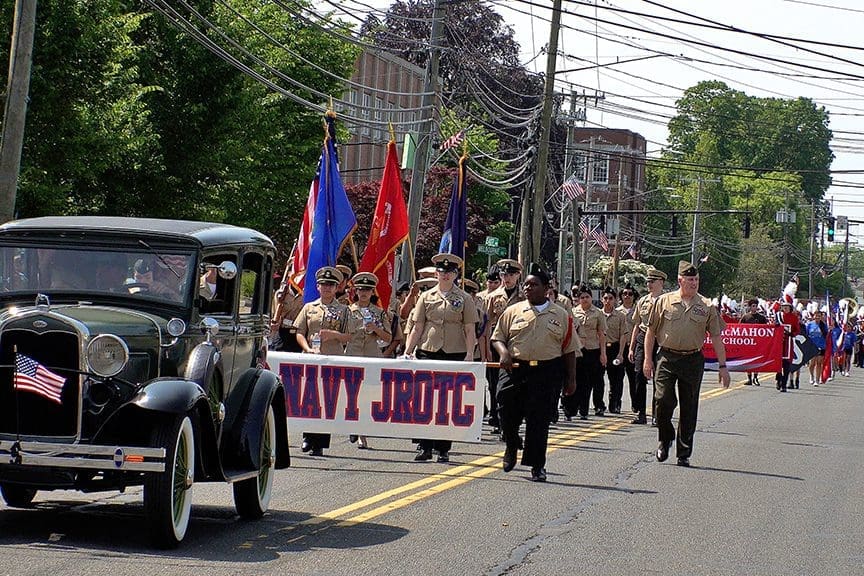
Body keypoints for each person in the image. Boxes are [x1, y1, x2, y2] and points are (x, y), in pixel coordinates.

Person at [492, 265, 577, 482]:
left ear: (547, 288)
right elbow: (497, 337)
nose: (528, 288)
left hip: (546, 371)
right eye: (526, 284)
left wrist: (571, 380)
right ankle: (511, 444)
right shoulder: (513, 311)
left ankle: (537, 465)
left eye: (534, 284)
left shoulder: (561, 315)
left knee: (538, 420)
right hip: (515, 368)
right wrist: (503, 353)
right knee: (505, 406)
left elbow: (569, 350)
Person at [643, 261, 730, 467]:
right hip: (666, 357)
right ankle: (665, 438)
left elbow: (716, 337)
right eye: (690, 279)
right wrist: (648, 359)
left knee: (689, 406)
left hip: (692, 359)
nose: (694, 283)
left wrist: (723, 366)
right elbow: (651, 332)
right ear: (680, 280)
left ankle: (684, 452)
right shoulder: (663, 301)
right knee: (662, 400)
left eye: (696, 279)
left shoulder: (706, 306)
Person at [403, 253, 479, 463]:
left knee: (448, 402)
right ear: (436, 274)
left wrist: (470, 354)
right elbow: (417, 327)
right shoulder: (426, 297)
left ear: (456, 275)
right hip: (428, 350)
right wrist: (408, 351)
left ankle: (444, 447)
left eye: (450, 272)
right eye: (442, 272)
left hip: (454, 352)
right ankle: (425, 446)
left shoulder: (464, 298)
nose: (445, 275)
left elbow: (470, 328)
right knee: (425, 401)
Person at [294, 266, 351, 457]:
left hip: (331, 359)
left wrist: (333, 335)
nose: (327, 288)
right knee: (309, 398)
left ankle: (320, 443)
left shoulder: (344, 310)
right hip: (311, 357)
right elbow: (300, 332)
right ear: (318, 287)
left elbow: (349, 336)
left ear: (337, 288)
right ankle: (307, 438)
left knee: (326, 401)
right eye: (323, 285)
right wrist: (308, 348)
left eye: (331, 285)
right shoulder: (309, 308)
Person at [345, 272, 392, 450]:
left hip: (371, 357)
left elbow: (388, 337)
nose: (363, 292)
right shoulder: (347, 311)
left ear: (373, 292)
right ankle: (353, 425)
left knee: (367, 397)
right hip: (352, 356)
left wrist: (375, 329)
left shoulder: (379, 313)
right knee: (351, 394)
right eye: (360, 289)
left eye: (367, 290)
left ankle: (362, 433)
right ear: (355, 291)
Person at [482, 259, 525, 433]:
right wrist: (486, 350)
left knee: (517, 385)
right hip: (496, 344)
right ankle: (497, 417)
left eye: (510, 274)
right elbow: (485, 326)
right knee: (495, 386)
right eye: (503, 274)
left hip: (518, 343)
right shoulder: (492, 297)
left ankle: (513, 419)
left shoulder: (524, 296)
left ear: (518, 275)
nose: (506, 278)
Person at [628, 268, 666, 425]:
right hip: (643, 338)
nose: (649, 284)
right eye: (648, 282)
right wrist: (631, 347)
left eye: (652, 281)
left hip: (661, 338)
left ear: (661, 283)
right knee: (639, 376)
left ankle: (657, 414)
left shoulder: (668, 301)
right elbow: (637, 325)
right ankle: (641, 413)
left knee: (659, 379)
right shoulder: (642, 301)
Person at [567, 284, 607, 419]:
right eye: (582, 297)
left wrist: (603, 353)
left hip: (593, 350)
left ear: (591, 298)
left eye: (587, 297)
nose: (585, 299)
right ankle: (572, 407)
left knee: (590, 382)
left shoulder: (598, 313)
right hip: (577, 351)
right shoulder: (573, 312)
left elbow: (601, 334)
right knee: (577, 380)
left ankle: (585, 409)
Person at [600, 287, 627, 414]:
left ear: (615, 300)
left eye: (611, 298)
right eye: (605, 298)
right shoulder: (598, 315)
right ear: (601, 299)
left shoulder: (620, 316)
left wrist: (621, 354)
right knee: (598, 378)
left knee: (616, 379)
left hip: (615, 348)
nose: (608, 301)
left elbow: (623, 335)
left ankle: (615, 403)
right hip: (600, 349)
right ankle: (599, 404)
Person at [617, 285, 639, 411]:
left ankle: (635, 404)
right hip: (619, 347)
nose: (627, 296)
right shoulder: (617, 311)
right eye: (624, 293)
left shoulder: (637, 310)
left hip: (633, 346)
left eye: (630, 294)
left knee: (633, 378)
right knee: (617, 378)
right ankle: (616, 403)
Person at [739, 298, 768, 385]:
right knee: (748, 361)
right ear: (750, 307)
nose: (755, 308)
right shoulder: (745, 317)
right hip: (748, 343)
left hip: (758, 343)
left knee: (757, 361)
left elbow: (767, 329)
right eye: (753, 306)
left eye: (756, 306)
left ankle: (755, 377)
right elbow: (739, 328)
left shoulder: (761, 318)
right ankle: (749, 378)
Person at [804, 309, 827, 386]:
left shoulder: (824, 325)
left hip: (821, 346)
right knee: (812, 363)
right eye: (816, 315)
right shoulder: (809, 325)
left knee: (819, 363)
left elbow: (826, 336)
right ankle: (811, 376)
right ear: (813, 316)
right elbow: (806, 335)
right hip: (812, 346)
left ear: (821, 317)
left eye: (819, 316)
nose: (817, 317)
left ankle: (817, 379)